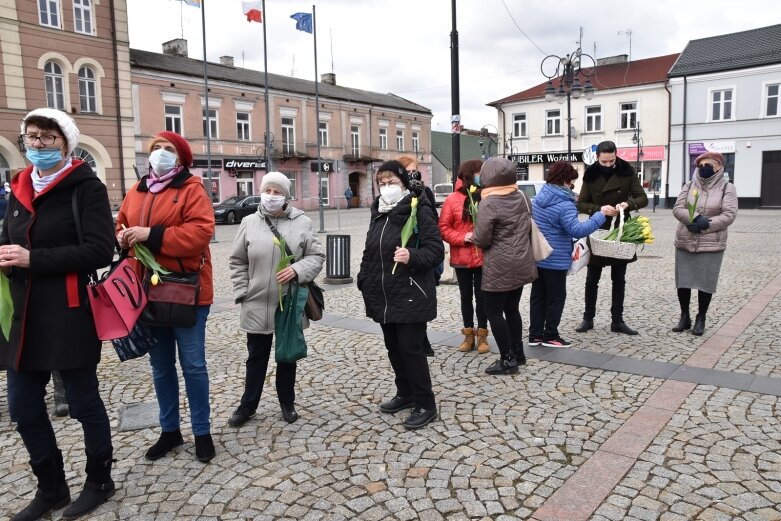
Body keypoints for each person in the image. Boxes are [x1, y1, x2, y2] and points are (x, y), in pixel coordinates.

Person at [1, 108, 116, 520]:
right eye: (31, 137)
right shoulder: (18, 187)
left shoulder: (85, 186)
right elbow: (8, 239)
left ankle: (100, 479)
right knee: (23, 408)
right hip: (23, 315)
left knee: (84, 403)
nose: (37, 145)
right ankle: (51, 488)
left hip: (68, 310)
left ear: (66, 143)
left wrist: (35, 259)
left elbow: (102, 250)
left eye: (47, 138)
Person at [115, 131, 216, 463]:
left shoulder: (191, 189)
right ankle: (169, 430)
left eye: (168, 149)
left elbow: (201, 233)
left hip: (188, 290)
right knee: (160, 367)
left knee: (193, 365)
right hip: (149, 292)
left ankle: (202, 432)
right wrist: (122, 237)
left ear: (181, 157)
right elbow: (121, 224)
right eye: (156, 148)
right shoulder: (137, 190)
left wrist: (150, 235)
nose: (160, 153)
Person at [227, 172, 325, 426]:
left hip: (289, 302)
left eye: (277, 191)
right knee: (256, 357)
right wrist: (243, 291)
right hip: (256, 301)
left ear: (286, 196)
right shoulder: (249, 222)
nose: (271, 196)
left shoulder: (302, 222)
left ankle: (287, 402)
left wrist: (297, 270)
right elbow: (237, 260)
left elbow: (316, 256)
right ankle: (248, 405)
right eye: (267, 190)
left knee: (287, 356)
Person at [357, 160, 444, 429]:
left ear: (403, 183)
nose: (386, 187)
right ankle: (405, 393)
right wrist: (364, 279)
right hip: (384, 295)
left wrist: (411, 255)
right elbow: (371, 250)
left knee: (411, 349)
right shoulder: (379, 212)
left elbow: (436, 251)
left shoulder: (419, 209)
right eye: (382, 183)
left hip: (410, 292)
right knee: (394, 348)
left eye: (392, 182)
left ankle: (426, 404)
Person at [529, 161, 611, 348]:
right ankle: (550, 335)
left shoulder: (541, 197)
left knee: (538, 296)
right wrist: (600, 215)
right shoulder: (564, 204)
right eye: (571, 182)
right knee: (556, 298)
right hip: (555, 259)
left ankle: (535, 335)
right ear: (565, 181)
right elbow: (577, 230)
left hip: (538, 256)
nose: (572, 185)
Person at [575, 140, 648, 335]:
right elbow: (581, 203)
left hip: (621, 230)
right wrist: (599, 209)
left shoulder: (627, 171)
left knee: (619, 278)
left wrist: (627, 204)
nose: (608, 165)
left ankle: (617, 320)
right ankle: (587, 318)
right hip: (598, 228)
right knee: (592, 278)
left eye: (611, 161)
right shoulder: (590, 174)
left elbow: (642, 198)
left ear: (616, 156)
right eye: (604, 162)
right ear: (597, 158)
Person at [472, 157, 537, 375]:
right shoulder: (522, 196)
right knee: (511, 308)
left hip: (499, 263)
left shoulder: (488, 202)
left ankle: (507, 359)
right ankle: (518, 353)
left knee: (492, 311)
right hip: (521, 260)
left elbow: (482, 239)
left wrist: (474, 236)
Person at [671, 152, 737, 336]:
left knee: (705, 282)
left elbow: (729, 214)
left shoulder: (727, 188)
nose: (703, 168)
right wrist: (694, 218)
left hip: (711, 243)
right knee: (683, 281)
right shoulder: (690, 185)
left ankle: (701, 317)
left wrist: (705, 225)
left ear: (718, 166)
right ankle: (685, 316)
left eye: (707, 165)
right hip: (686, 239)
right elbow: (678, 208)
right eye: (700, 165)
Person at [438, 159, 491, 354]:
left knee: (483, 297)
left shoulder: (486, 195)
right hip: (462, 257)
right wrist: (463, 237)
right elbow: (443, 228)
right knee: (466, 297)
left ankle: (483, 335)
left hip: (484, 257)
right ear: (469, 174)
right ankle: (469, 336)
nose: (481, 175)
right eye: (478, 172)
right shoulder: (452, 199)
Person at [398, 155, 438, 356]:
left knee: (422, 296)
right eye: (410, 171)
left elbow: (434, 220)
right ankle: (418, 341)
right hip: (403, 252)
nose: (414, 174)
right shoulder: (398, 196)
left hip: (422, 252)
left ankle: (424, 339)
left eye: (416, 170)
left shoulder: (426, 192)